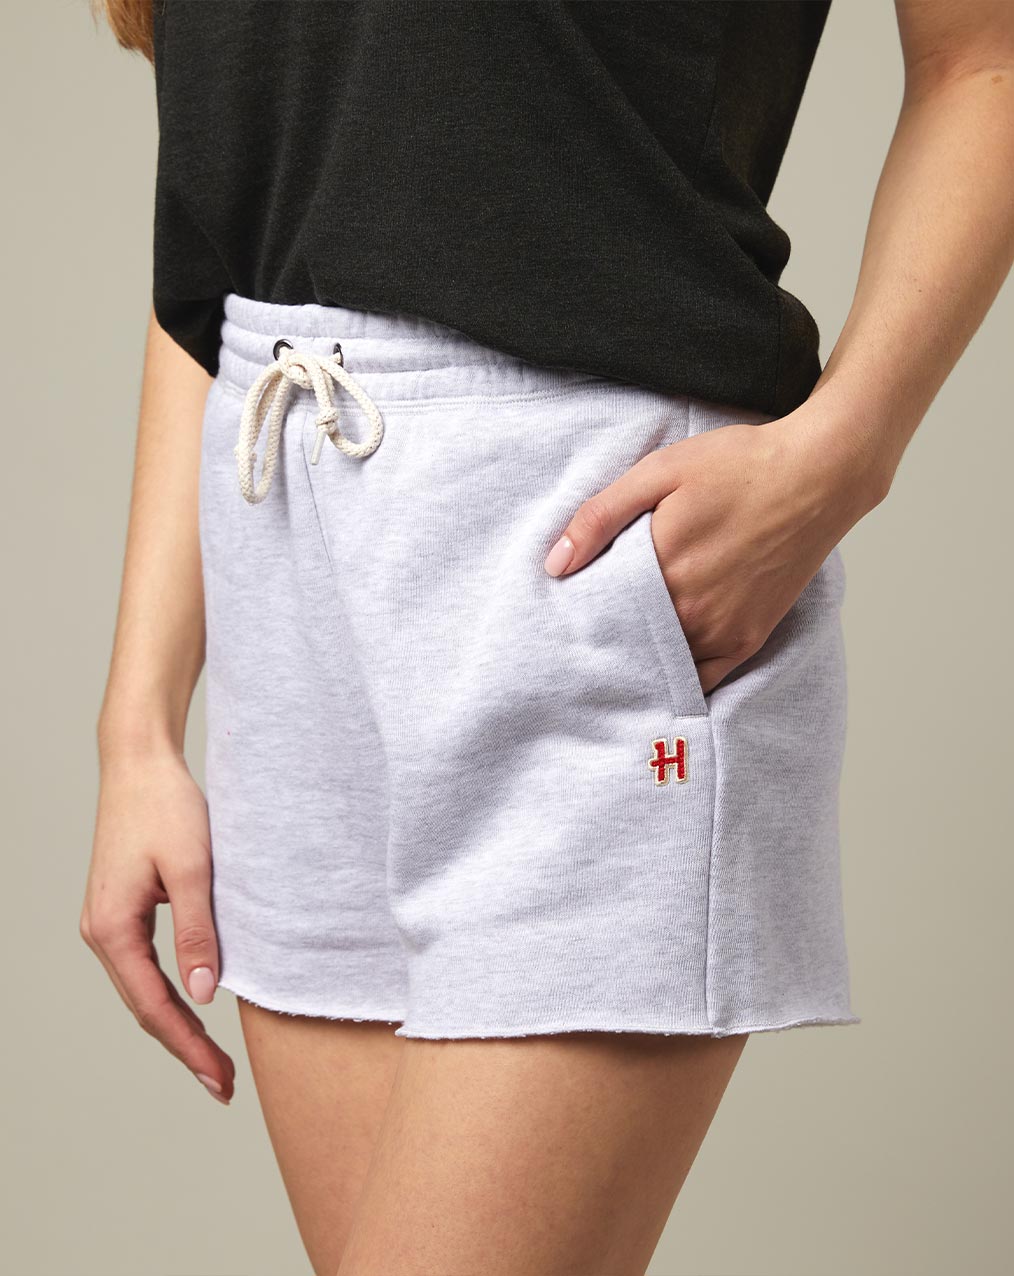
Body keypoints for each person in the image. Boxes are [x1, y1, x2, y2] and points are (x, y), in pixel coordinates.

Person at [80, 3, 1014, 1274]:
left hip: (586, 541)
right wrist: (137, 724)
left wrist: (847, 453)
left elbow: (984, 58)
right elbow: (238, 201)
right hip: (285, 516)